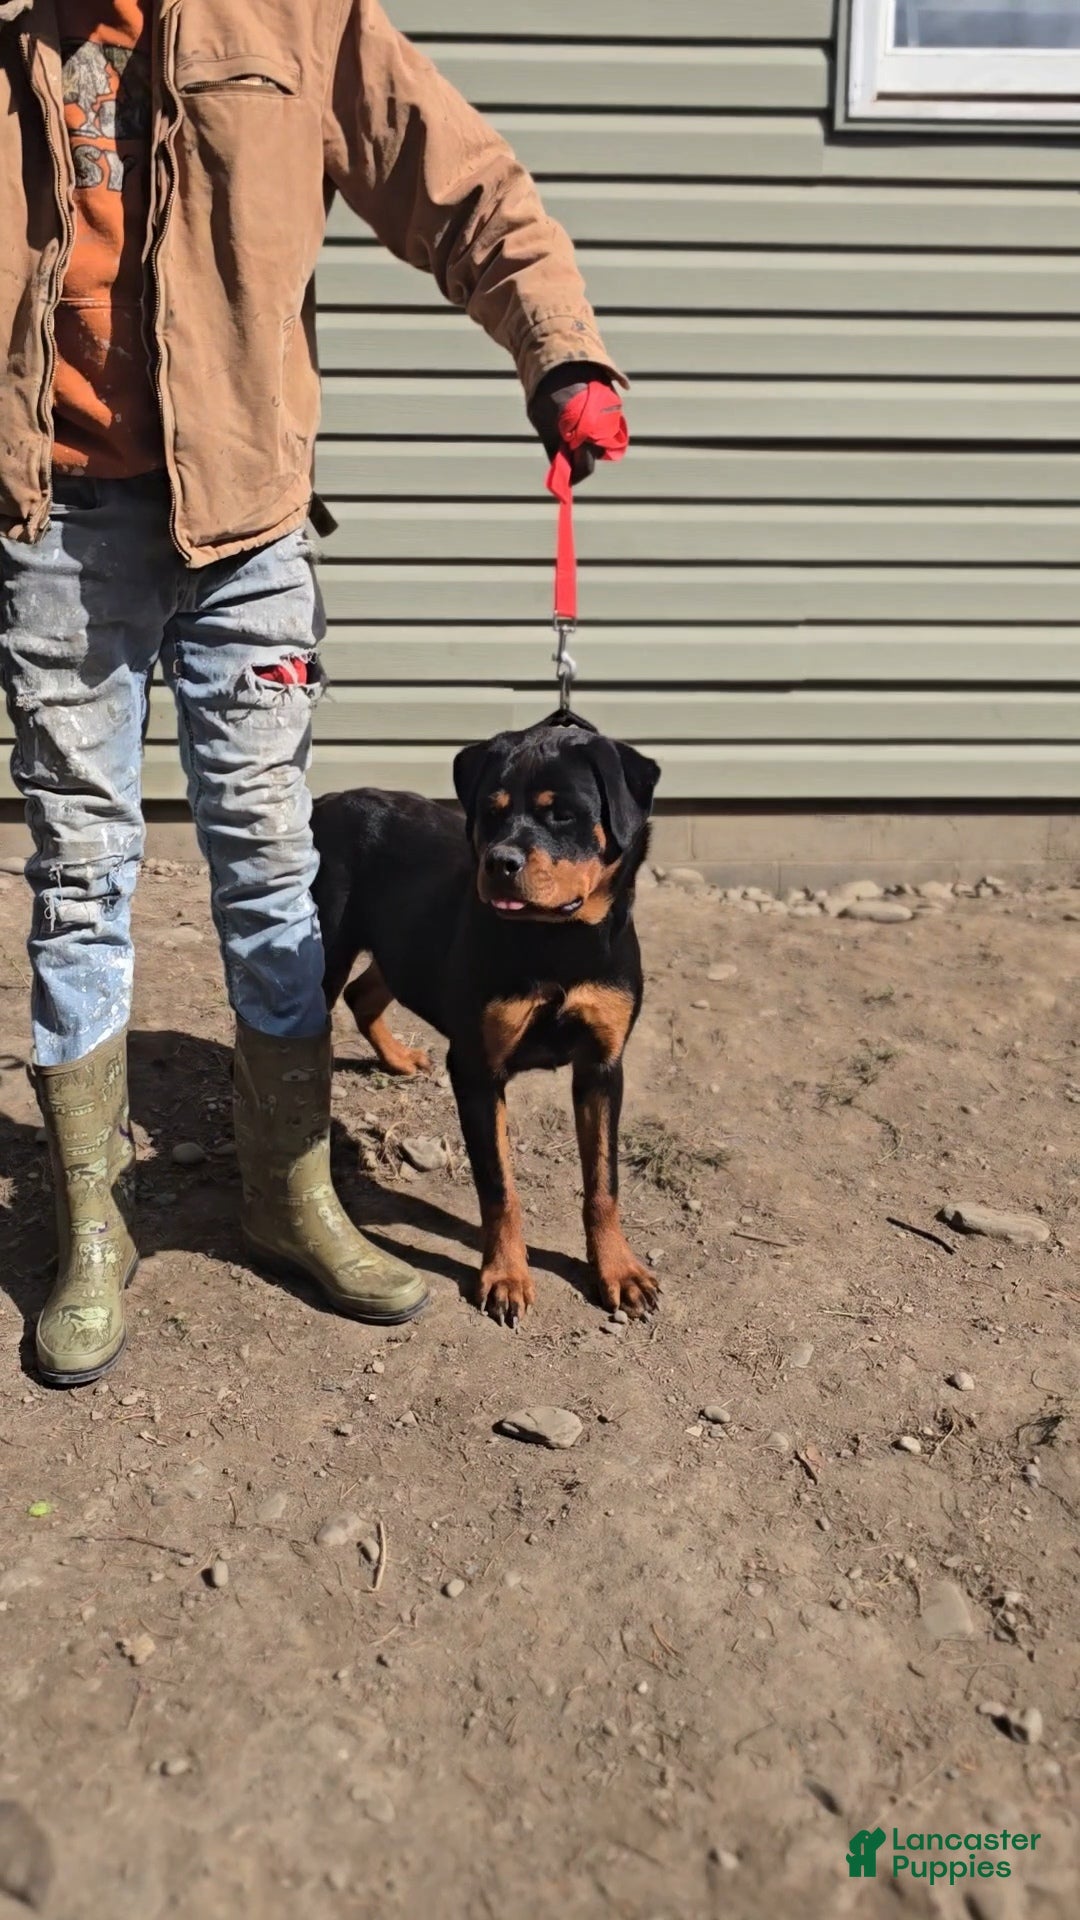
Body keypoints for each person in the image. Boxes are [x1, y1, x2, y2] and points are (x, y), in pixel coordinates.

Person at [0, 0, 626, 1387]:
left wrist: (558, 344)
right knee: (81, 872)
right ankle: (88, 1225)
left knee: (274, 870)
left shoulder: (295, 15)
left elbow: (459, 180)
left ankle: (290, 1194)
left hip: (247, 522)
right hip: (55, 519)